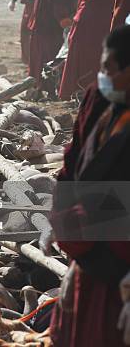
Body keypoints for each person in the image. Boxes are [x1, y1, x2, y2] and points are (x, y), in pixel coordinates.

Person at [47, 25, 130, 347]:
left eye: (110, 69)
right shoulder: (100, 98)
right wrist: (72, 257)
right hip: (91, 256)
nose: (103, 75)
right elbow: (74, 160)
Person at [59, 0, 123, 100]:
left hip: (82, 23)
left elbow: (80, 3)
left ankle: (74, 92)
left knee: (78, 57)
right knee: (100, 58)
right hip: (106, 24)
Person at [28, 0, 85, 92]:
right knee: (50, 61)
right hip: (47, 29)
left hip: (44, 26)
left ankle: (40, 87)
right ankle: (46, 89)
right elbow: (61, 15)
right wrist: (74, 28)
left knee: (42, 59)